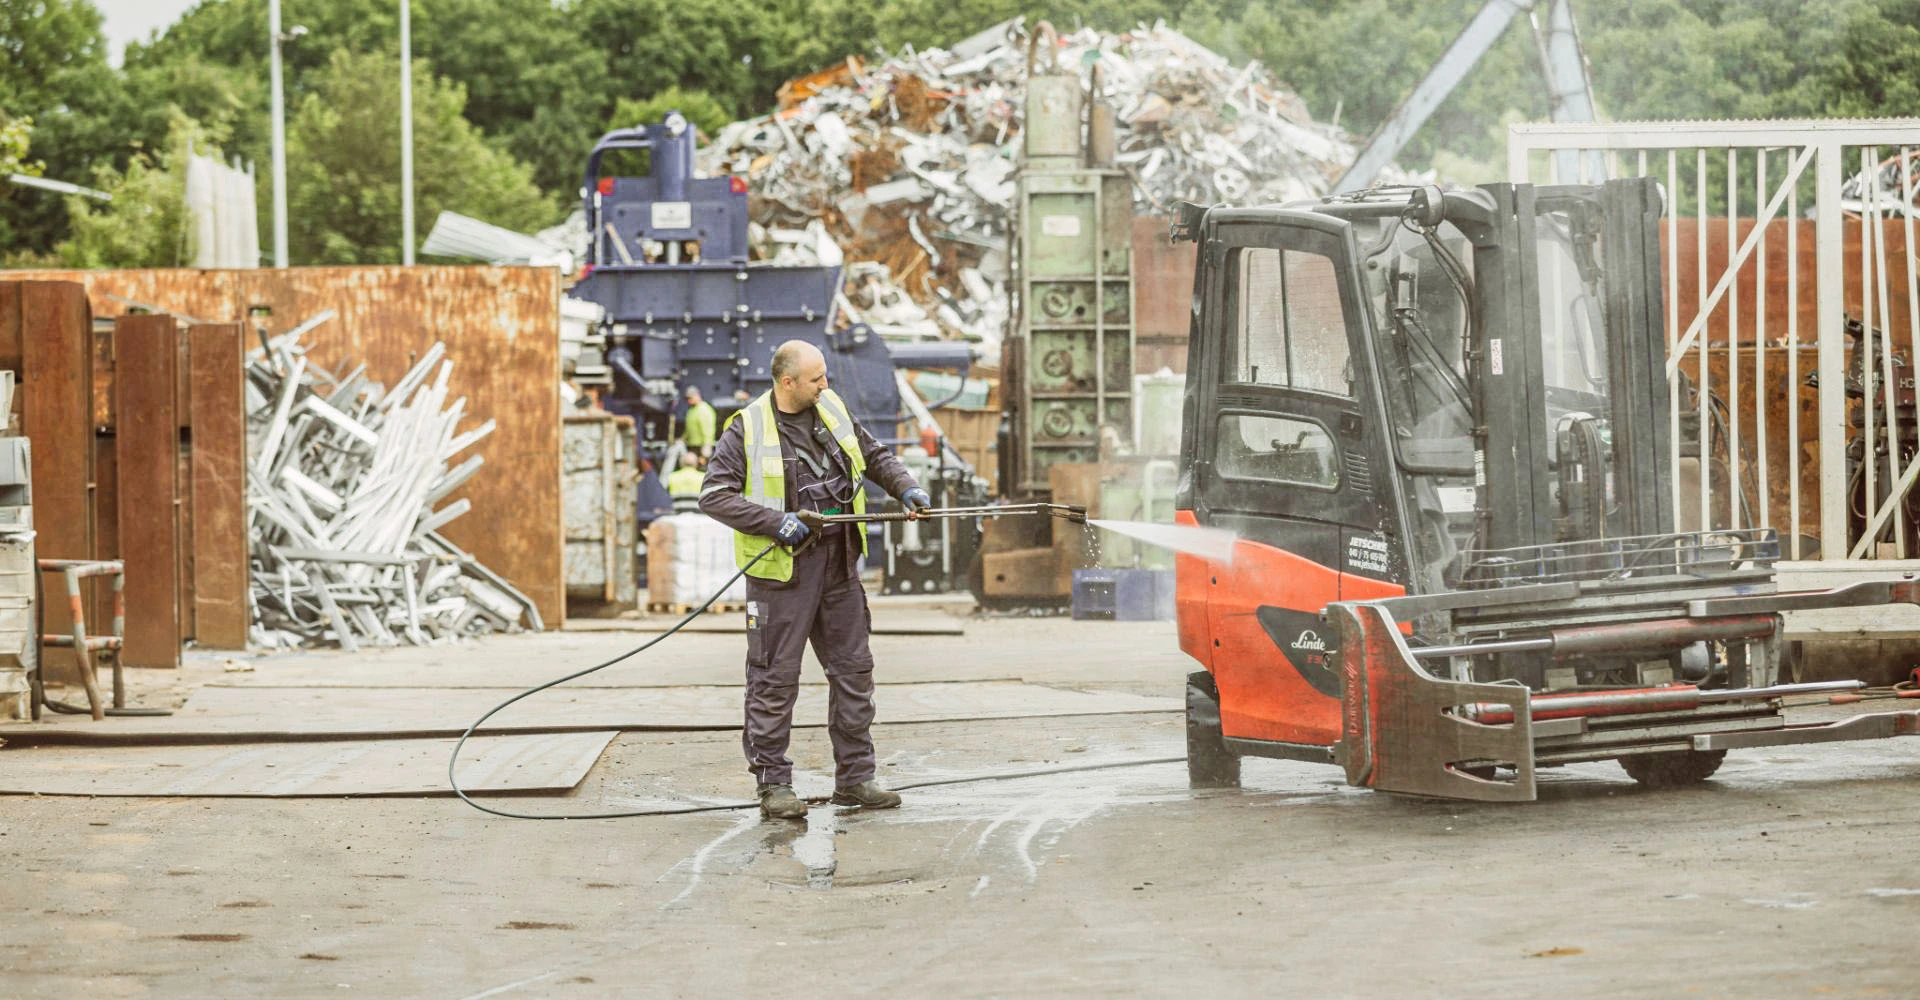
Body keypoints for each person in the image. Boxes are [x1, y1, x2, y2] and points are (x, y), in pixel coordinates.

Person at [699, 340, 931, 819]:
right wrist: (774, 521)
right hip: (784, 575)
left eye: (825, 376)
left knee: (853, 673)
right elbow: (714, 496)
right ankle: (774, 786)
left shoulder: (833, 410)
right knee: (774, 680)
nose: (825, 385)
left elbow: (873, 454)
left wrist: (906, 487)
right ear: (788, 383)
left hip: (839, 566)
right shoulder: (747, 429)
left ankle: (855, 778)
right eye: (815, 379)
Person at [682, 386, 718, 459]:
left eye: (690, 398)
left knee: (702, 468)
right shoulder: (691, 410)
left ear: (697, 395)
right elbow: (689, 429)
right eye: (687, 399)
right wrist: (682, 439)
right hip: (692, 446)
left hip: (702, 447)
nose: (689, 401)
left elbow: (708, 432)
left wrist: (705, 452)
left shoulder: (704, 410)